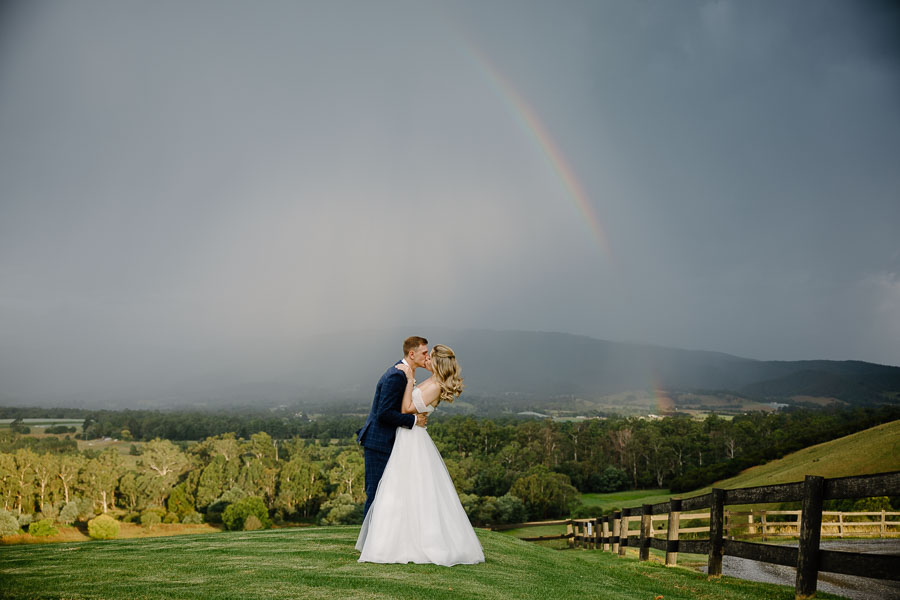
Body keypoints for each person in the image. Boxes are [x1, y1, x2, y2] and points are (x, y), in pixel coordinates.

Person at [356, 344, 485, 566]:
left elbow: (406, 409)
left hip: (412, 440)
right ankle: (386, 539)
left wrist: (408, 380)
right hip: (408, 437)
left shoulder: (435, 385)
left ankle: (415, 542)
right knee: (400, 490)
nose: (427, 359)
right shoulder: (433, 381)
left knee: (412, 491)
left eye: (430, 356)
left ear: (437, 362)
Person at [356, 336, 430, 518]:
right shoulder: (396, 375)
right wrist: (414, 421)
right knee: (375, 493)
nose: (427, 356)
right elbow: (384, 413)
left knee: (389, 494)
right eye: (424, 352)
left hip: (391, 442)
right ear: (412, 354)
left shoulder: (405, 374)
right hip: (379, 443)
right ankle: (367, 543)